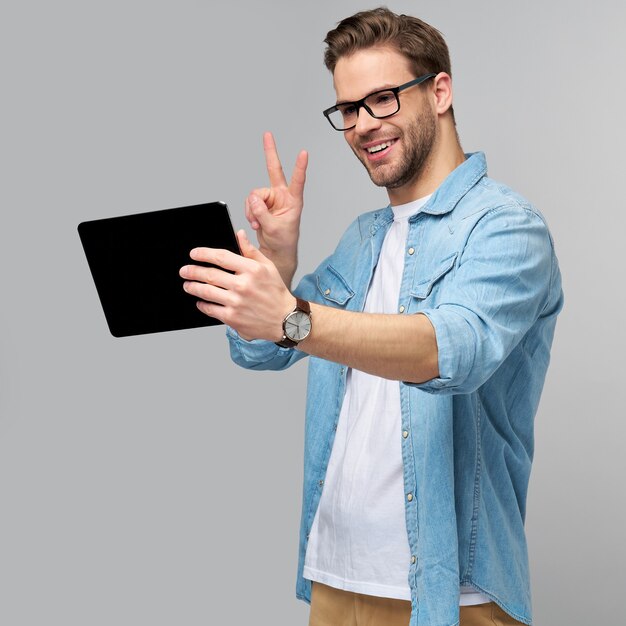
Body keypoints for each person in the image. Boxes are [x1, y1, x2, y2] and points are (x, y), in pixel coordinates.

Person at [179, 7, 563, 626]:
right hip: (335, 578)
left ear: (439, 91)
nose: (362, 125)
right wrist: (278, 261)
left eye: (382, 99)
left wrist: (292, 316)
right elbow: (263, 347)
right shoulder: (364, 239)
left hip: (447, 595)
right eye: (349, 110)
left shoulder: (507, 227)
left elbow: (450, 350)